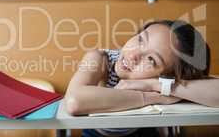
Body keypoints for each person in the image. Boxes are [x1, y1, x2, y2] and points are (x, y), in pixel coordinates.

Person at [64, 20, 219, 137]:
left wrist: (155, 85)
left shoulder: (163, 83)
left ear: (167, 76)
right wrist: (152, 97)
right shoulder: (100, 59)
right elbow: (74, 101)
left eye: (151, 60)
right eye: (140, 40)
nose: (133, 55)